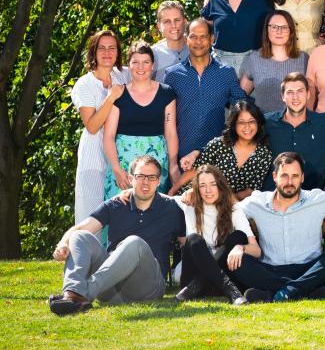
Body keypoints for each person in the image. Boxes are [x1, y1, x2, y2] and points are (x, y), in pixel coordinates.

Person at [48, 155, 185, 315]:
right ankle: (71, 294)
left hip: (147, 289)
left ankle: (82, 293)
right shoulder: (116, 204)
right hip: (111, 290)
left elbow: (187, 244)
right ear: (131, 179)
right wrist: (63, 243)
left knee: (134, 243)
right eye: (140, 176)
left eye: (151, 177)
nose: (145, 182)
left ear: (158, 181)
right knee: (79, 236)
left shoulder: (171, 208)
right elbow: (80, 228)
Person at [231, 152, 325, 302]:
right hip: (271, 271)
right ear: (275, 176)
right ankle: (303, 292)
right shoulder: (257, 202)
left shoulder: (317, 199)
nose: (289, 182)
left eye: (295, 176)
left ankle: (273, 294)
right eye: (284, 176)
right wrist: (240, 247)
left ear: (302, 178)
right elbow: (229, 213)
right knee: (239, 262)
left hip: (309, 269)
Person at [165, 18, 248, 171]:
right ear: (186, 39)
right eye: (193, 36)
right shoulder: (172, 75)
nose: (198, 42)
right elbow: (166, 121)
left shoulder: (226, 73)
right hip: (182, 158)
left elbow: (243, 107)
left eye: (203, 37)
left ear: (211, 39)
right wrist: (172, 164)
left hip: (217, 156)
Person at [171, 165, 260, 304]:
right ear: (197, 188)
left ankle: (198, 286)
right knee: (194, 239)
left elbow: (257, 251)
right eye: (203, 185)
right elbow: (157, 197)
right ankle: (231, 291)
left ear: (220, 185)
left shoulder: (233, 209)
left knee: (238, 237)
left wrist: (241, 248)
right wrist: (128, 193)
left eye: (213, 184)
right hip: (195, 274)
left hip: (211, 281)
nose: (208, 190)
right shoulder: (188, 203)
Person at [103, 41, 178, 198]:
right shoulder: (119, 94)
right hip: (123, 167)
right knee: (120, 210)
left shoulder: (166, 93)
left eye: (146, 62)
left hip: (156, 165)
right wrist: (116, 169)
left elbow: (171, 133)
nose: (140, 67)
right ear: (129, 65)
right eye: (135, 62)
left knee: (154, 210)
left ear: (153, 65)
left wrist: (173, 166)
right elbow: (108, 136)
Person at [71, 30, 128, 226]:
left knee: (119, 217)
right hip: (93, 158)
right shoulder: (84, 84)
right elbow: (93, 126)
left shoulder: (124, 75)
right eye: (101, 48)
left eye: (112, 48)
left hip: (120, 155)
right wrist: (111, 97)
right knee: (91, 217)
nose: (107, 52)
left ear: (118, 52)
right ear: (93, 52)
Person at [170, 100, 272, 200]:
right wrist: (172, 192)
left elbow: (251, 190)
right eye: (241, 122)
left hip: (228, 204)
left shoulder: (263, 154)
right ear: (234, 124)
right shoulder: (219, 144)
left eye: (251, 121)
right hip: (193, 196)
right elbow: (194, 171)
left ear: (258, 123)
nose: (247, 127)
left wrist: (222, 200)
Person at [239, 10, 309, 114]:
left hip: (296, 121)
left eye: (284, 27)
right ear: (266, 30)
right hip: (264, 122)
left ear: (291, 32)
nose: (279, 31)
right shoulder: (253, 59)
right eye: (274, 27)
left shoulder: (303, 59)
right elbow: (240, 97)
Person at [152, 1, 189, 83]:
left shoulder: (199, 48)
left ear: (185, 22)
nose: (173, 25)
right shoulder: (152, 55)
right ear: (159, 26)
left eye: (177, 20)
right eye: (167, 21)